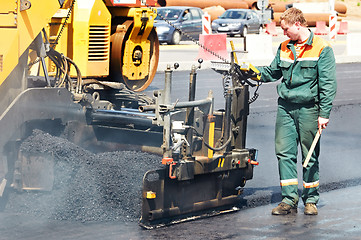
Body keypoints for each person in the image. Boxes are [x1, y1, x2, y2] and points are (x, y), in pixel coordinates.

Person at [257, 8, 337, 215]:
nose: (284, 33)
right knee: (284, 153)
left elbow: (328, 84)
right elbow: (272, 72)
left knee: (309, 156)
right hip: (285, 107)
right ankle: (289, 199)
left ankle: (310, 200)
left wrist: (324, 114)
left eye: (286, 29)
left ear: (298, 25)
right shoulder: (284, 47)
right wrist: (253, 73)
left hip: (309, 109)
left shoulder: (322, 48)